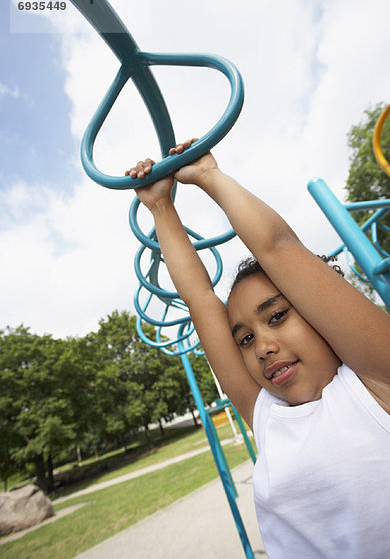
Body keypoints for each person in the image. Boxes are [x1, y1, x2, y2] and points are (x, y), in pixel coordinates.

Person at [126, 139, 390, 559]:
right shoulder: (267, 415)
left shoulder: (377, 382)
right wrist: (160, 207)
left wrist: (209, 177)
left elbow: (278, 248)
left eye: (278, 316)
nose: (262, 347)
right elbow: (199, 298)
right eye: (245, 339)